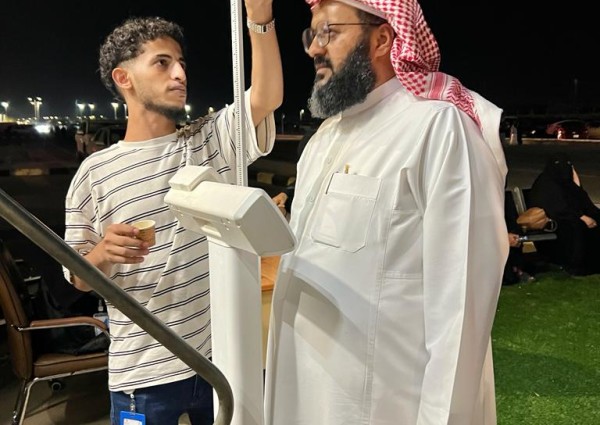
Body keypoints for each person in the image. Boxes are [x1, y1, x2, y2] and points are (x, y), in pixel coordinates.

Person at [263, 1, 508, 424]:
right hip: (307, 396)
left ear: (382, 39)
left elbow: (461, 309)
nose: (314, 48)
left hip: (385, 405)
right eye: (311, 34)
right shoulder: (323, 139)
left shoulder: (437, 128)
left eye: (328, 33)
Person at [62, 4, 282, 424]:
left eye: (181, 63)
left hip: (219, 361)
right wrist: (103, 252)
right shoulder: (94, 173)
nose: (180, 74)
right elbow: (77, 277)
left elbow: (266, 96)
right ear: (124, 78)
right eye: (162, 63)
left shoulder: (207, 143)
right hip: (141, 372)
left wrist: (260, 19)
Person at [528, 153, 600, 276]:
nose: (565, 168)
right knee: (576, 226)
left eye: (569, 165)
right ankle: (578, 264)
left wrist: (576, 182)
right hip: (554, 223)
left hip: (569, 217)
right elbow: (557, 208)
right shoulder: (546, 184)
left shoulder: (566, 183)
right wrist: (582, 217)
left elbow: (581, 201)